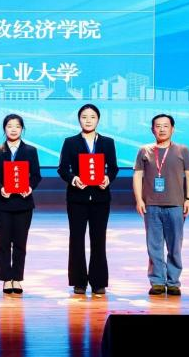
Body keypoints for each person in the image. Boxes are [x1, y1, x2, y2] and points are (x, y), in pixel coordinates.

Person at [57, 104, 119, 295]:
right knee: (76, 239)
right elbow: (62, 169)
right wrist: (74, 179)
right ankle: (79, 282)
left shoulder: (107, 142)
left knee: (99, 239)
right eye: (84, 117)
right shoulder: (70, 142)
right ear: (79, 120)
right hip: (77, 198)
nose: (88, 120)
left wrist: (108, 178)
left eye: (92, 117)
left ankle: (99, 282)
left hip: (101, 198)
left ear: (98, 119)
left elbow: (113, 168)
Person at [133, 114, 189, 296]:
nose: (162, 129)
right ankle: (157, 282)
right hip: (151, 205)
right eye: (158, 126)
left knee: (175, 245)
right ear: (152, 129)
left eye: (166, 126)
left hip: (176, 205)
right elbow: (137, 175)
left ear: (172, 129)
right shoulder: (144, 150)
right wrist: (139, 200)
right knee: (154, 245)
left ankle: (174, 282)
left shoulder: (182, 150)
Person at [0, 114, 41, 295]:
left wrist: (30, 187)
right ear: (4, 129)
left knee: (20, 243)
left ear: (22, 129)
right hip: (2, 204)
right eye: (10, 126)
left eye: (17, 126)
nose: (13, 129)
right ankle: (6, 279)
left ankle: (17, 278)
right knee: (3, 243)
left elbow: (36, 176)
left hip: (24, 204)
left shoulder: (30, 151)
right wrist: (0, 188)